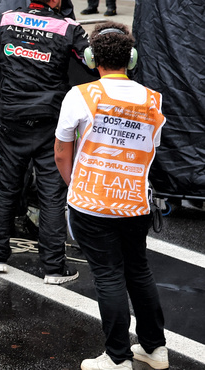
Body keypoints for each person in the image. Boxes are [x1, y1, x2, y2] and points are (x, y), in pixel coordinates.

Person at [55, 22, 168, 370]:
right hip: (135, 202)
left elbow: (61, 153)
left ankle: (117, 358)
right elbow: (151, 148)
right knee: (138, 271)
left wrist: (75, 185)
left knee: (108, 275)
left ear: (92, 58)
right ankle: (154, 348)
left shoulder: (80, 95)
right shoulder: (153, 100)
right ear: (130, 59)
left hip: (92, 203)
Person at [0, 0, 90, 284]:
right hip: (50, 123)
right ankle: (54, 269)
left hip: (12, 117)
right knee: (52, 194)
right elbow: (94, 63)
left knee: (4, 186)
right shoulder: (69, 28)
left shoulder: (3, 21)